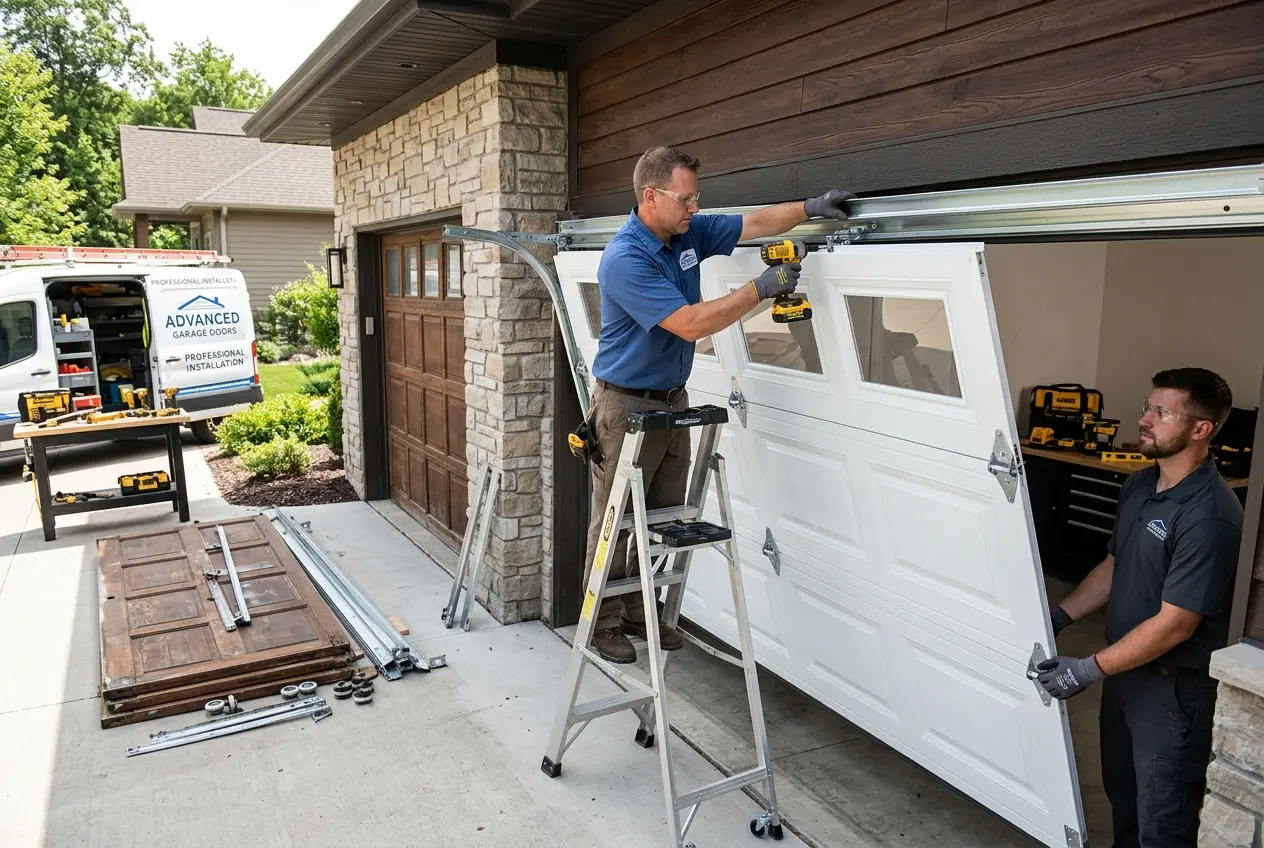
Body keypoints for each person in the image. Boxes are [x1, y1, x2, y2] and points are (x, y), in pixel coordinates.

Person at [581, 145, 855, 664]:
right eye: (685, 199)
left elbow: (752, 223)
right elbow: (689, 323)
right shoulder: (626, 258)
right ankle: (603, 622)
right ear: (650, 196)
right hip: (624, 410)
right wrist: (759, 289)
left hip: (670, 401)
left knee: (662, 517)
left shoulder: (685, 231)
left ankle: (643, 611)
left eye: (696, 198)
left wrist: (809, 208)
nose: (694, 208)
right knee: (617, 521)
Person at [1036, 367, 1243, 848]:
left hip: (1170, 695)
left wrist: (1086, 669)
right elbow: (1116, 562)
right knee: (1124, 798)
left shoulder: (1209, 515)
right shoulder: (1139, 485)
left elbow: (1175, 626)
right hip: (1124, 675)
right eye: (1147, 407)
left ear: (1200, 429)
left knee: (1162, 821)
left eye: (1162, 412)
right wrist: (1061, 615)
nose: (1144, 420)